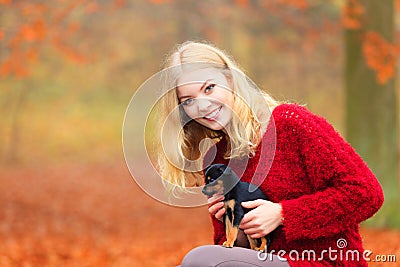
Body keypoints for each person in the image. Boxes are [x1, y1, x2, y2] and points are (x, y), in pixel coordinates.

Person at [156, 41, 384, 267]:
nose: (203, 105)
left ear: (230, 79)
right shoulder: (216, 159)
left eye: (209, 88)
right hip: (265, 262)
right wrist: (234, 223)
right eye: (189, 100)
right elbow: (232, 252)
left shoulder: (290, 122)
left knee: (198, 260)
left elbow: (365, 193)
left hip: (324, 261)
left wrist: (284, 214)